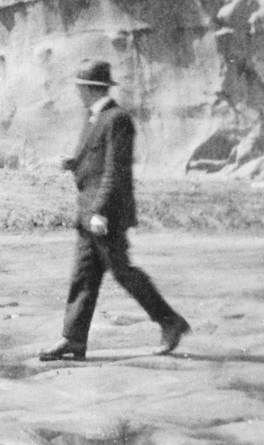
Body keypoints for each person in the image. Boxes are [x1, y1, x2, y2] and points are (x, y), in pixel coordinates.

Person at [39, 60, 191, 361]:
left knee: (123, 273)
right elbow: (94, 161)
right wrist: (71, 163)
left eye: (80, 88)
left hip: (105, 216)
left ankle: (171, 322)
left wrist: (100, 212)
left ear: (91, 89)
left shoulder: (117, 119)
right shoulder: (95, 117)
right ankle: (73, 340)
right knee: (83, 276)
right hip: (88, 214)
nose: (77, 93)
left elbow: (114, 172)